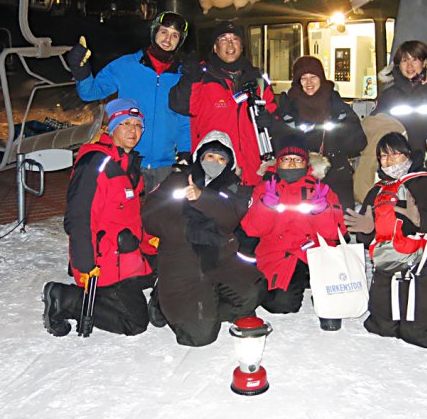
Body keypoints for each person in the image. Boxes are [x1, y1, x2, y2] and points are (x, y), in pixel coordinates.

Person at [42, 98, 157, 337]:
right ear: (111, 127)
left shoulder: (128, 162)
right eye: (125, 124)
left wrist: (148, 241)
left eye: (137, 125)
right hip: (102, 258)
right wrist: (85, 264)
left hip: (125, 254)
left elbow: (127, 216)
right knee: (135, 323)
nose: (132, 131)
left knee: (165, 264)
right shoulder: (95, 163)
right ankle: (66, 299)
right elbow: (78, 217)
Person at [142, 130, 266, 347]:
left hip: (219, 259)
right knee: (200, 336)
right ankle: (164, 299)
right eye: (210, 156)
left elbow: (230, 218)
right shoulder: (177, 179)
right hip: (182, 261)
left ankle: (206, 302)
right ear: (200, 156)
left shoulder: (235, 187)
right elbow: (150, 215)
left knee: (252, 293)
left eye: (221, 159)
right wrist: (185, 230)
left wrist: (202, 197)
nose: (215, 162)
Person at [345, 132, 427, 349]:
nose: (389, 161)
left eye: (395, 155)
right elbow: (369, 236)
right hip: (390, 267)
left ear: (408, 155)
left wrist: (421, 220)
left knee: (421, 335)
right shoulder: (378, 190)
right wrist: (367, 230)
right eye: (383, 156)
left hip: (426, 267)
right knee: (381, 326)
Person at [66, 12, 192, 192]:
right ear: (154, 32)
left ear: (180, 41)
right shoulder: (126, 66)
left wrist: (185, 152)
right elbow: (90, 93)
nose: (167, 39)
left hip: (166, 164)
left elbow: (183, 119)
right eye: (163, 32)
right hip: (128, 158)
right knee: (124, 216)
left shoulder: (182, 75)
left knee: (163, 218)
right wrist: (81, 71)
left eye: (174, 35)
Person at [241, 134, 346, 330]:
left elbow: (335, 233)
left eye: (297, 160)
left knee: (334, 301)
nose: (291, 164)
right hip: (281, 254)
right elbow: (252, 230)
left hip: (316, 254)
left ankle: (323, 294)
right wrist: (266, 206)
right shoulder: (264, 189)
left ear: (306, 163)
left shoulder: (321, 189)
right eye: (286, 159)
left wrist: (322, 210)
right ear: (278, 162)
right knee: (282, 305)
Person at [169, 21, 278, 186]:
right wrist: (190, 79)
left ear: (242, 46)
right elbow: (180, 105)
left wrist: (270, 120)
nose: (230, 44)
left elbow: (275, 116)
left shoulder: (258, 80)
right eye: (223, 39)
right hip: (214, 171)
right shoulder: (202, 77)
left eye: (235, 39)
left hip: (253, 171)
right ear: (215, 47)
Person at [276, 55, 366, 211]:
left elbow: (358, 143)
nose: (309, 82)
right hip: (299, 179)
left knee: (338, 225)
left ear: (321, 78)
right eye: (303, 78)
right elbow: (278, 144)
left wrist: (342, 123)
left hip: (335, 176)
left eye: (313, 77)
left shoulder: (337, 105)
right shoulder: (287, 109)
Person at [373, 40, 427, 193]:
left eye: (415, 60)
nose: (409, 66)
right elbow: (378, 125)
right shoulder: (389, 96)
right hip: (403, 162)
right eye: (404, 60)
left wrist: (425, 89)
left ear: (425, 62)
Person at [353, 111, 406, 205]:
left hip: (375, 204)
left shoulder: (373, 142)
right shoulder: (393, 126)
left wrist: (364, 201)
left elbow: (364, 177)